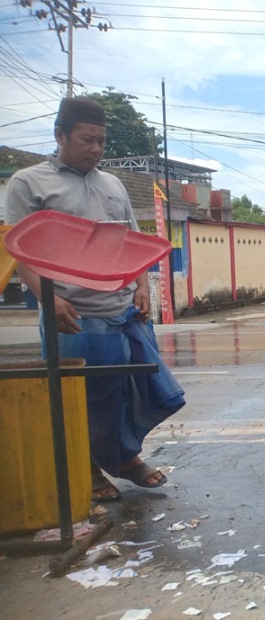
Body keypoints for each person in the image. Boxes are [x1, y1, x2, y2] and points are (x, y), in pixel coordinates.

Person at [5, 96, 185, 502]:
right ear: (60, 135)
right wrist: (45, 299)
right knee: (80, 396)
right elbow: (16, 251)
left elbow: (130, 242)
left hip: (123, 312)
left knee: (133, 390)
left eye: (101, 141)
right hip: (73, 313)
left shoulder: (112, 183)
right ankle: (87, 468)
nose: (96, 149)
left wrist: (141, 285)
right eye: (87, 139)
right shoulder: (29, 183)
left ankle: (124, 458)